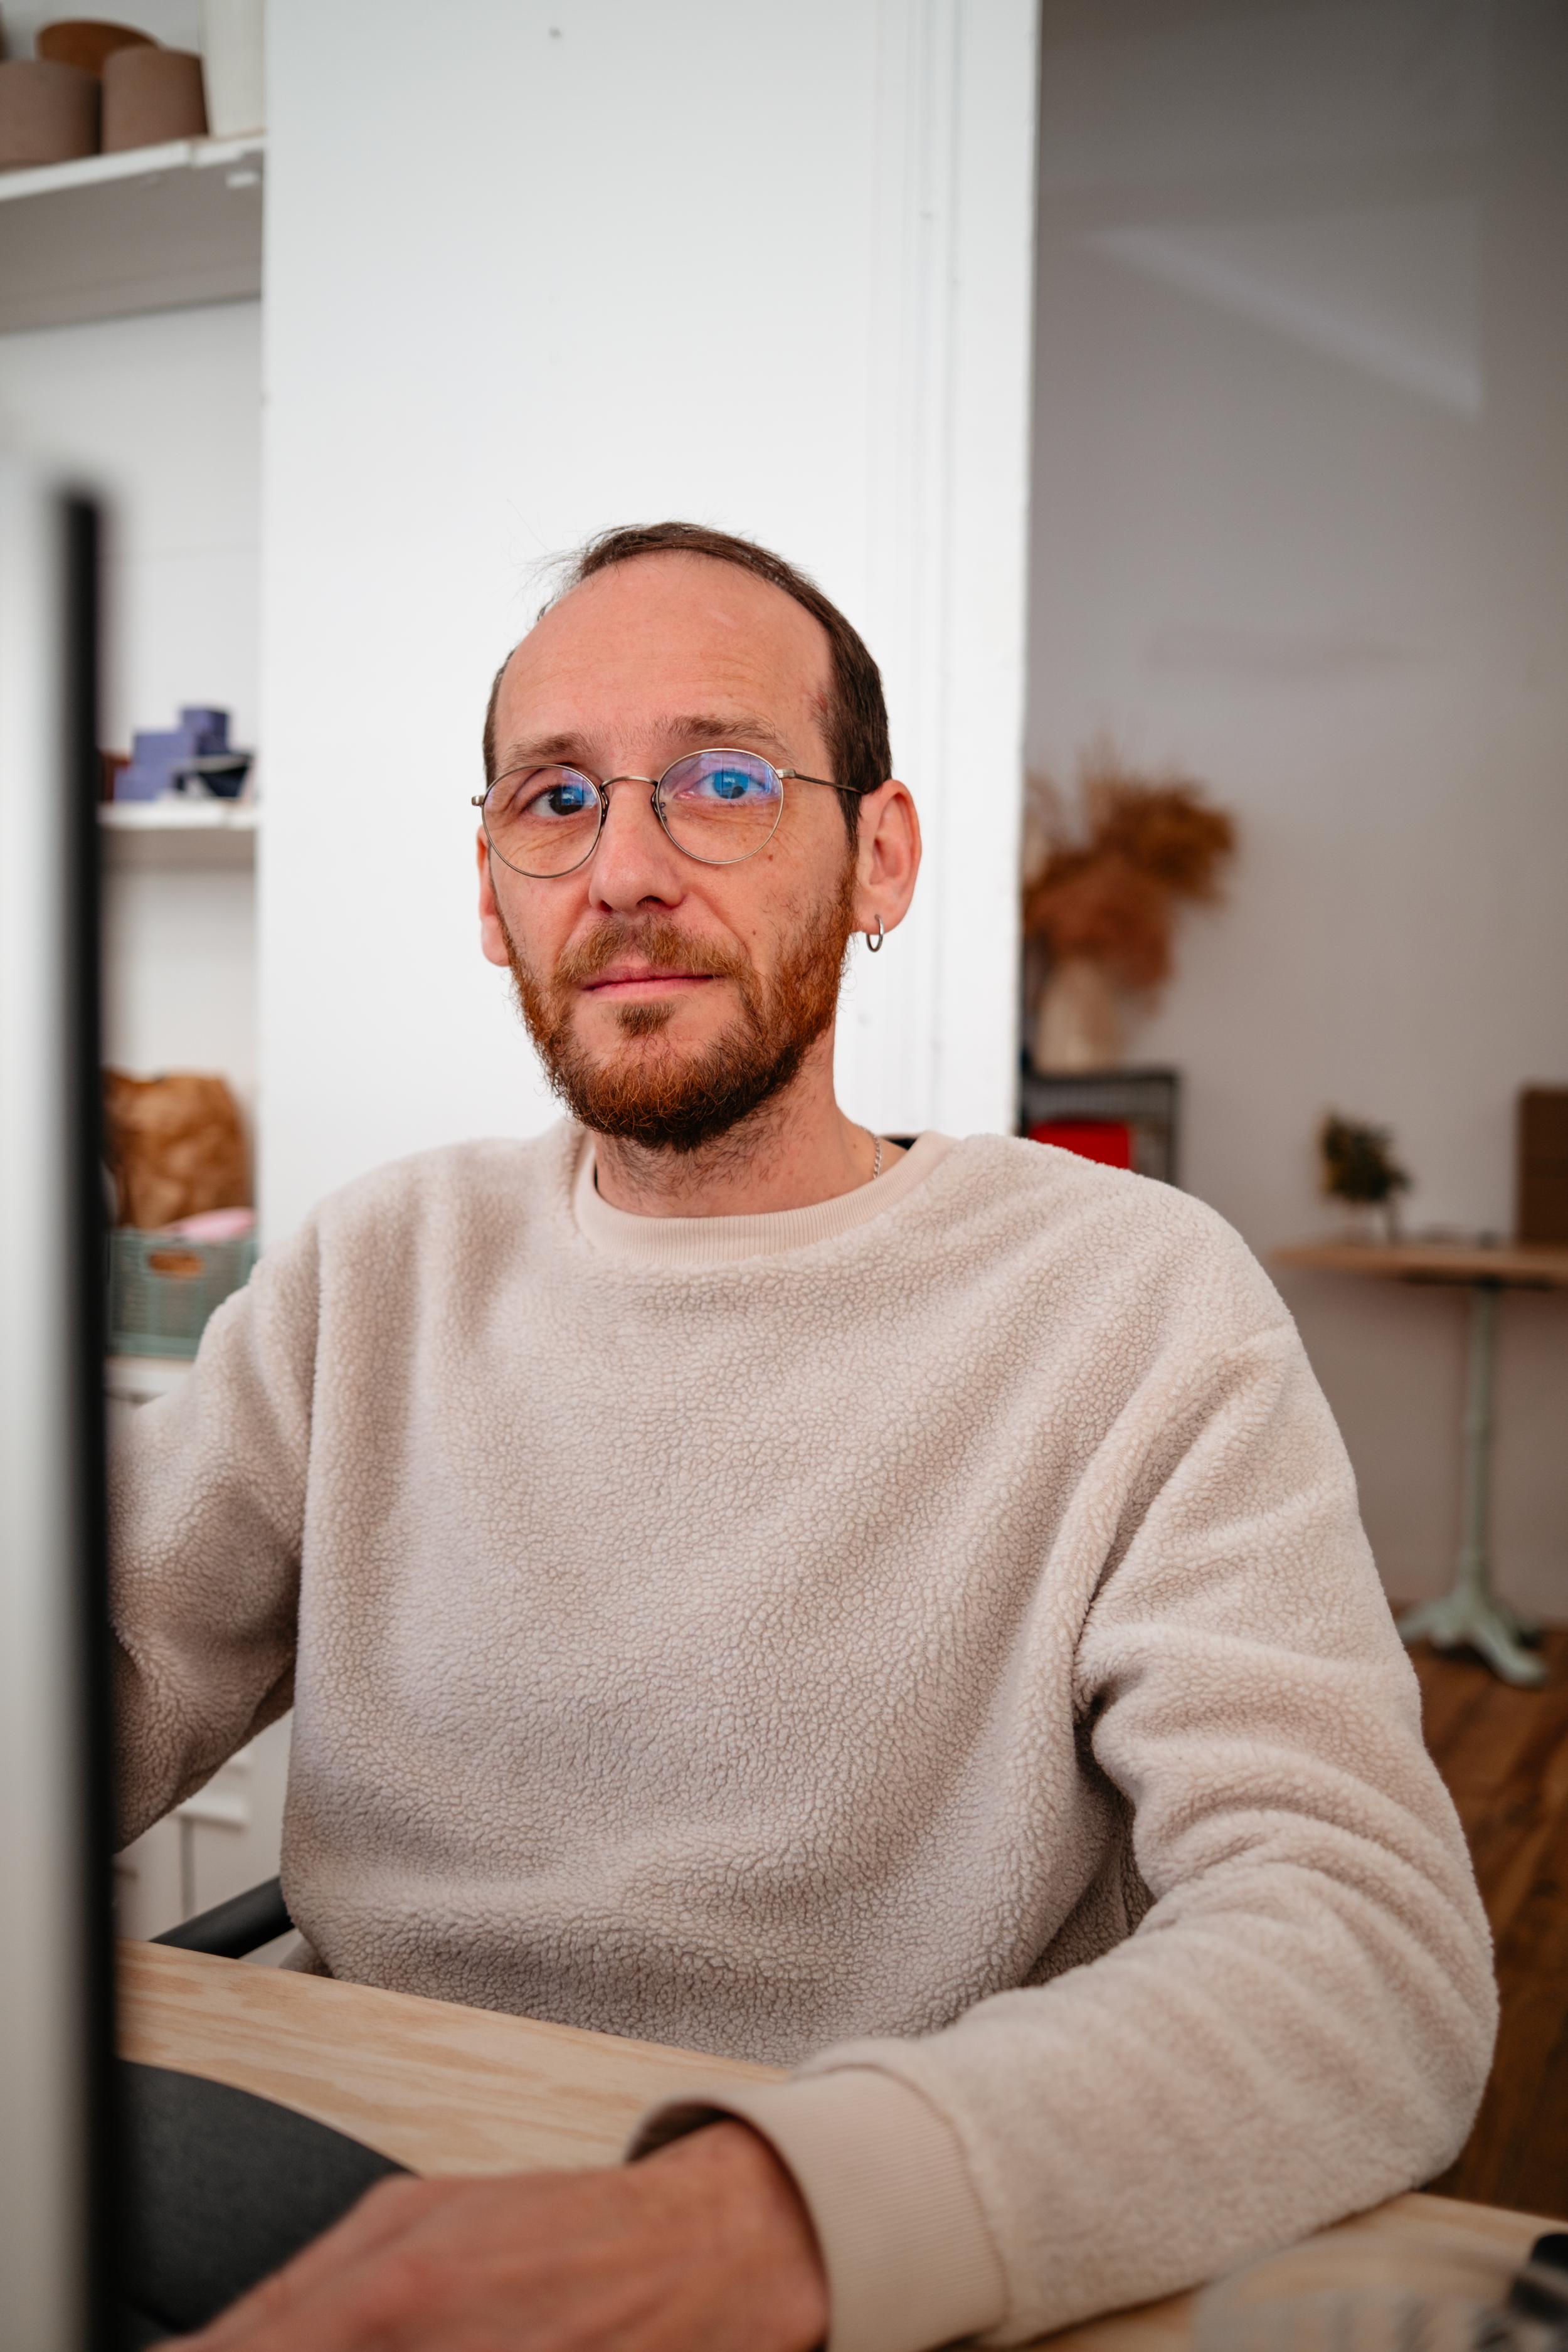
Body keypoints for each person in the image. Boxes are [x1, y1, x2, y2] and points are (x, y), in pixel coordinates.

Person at [112, 522, 1495, 2352]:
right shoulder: (374, 1264)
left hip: (848, 2253)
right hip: (345, 2160)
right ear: (486, 883)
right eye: (552, 799)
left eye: (724, 782)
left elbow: (1361, 1953)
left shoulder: (1137, 1302)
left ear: (880, 857)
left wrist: (777, 2215)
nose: (622, 871)